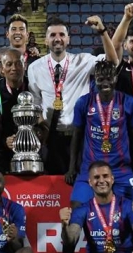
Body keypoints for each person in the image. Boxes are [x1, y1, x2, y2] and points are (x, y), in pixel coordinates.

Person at [27, 16, 120, 174]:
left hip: (81, 136)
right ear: (45, 40)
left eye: (62, 35)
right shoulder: (35, 68)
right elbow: (35, 105)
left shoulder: (83, 61)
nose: (58, 39)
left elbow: (113, 62)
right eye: (53, 35)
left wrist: (102, 31)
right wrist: (43, 132)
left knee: (83, 180)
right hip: (52, 139)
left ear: (68, 39)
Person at [66, 59, 133, 212]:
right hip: (90, 168)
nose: (105, 83)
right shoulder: (83, 102)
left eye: (110, 78)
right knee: (76, 207)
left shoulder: (129, 102)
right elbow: (77, 136)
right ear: (95, 80)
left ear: (116, 78)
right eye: (101, 79)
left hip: (120, 168)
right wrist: (71, 167)